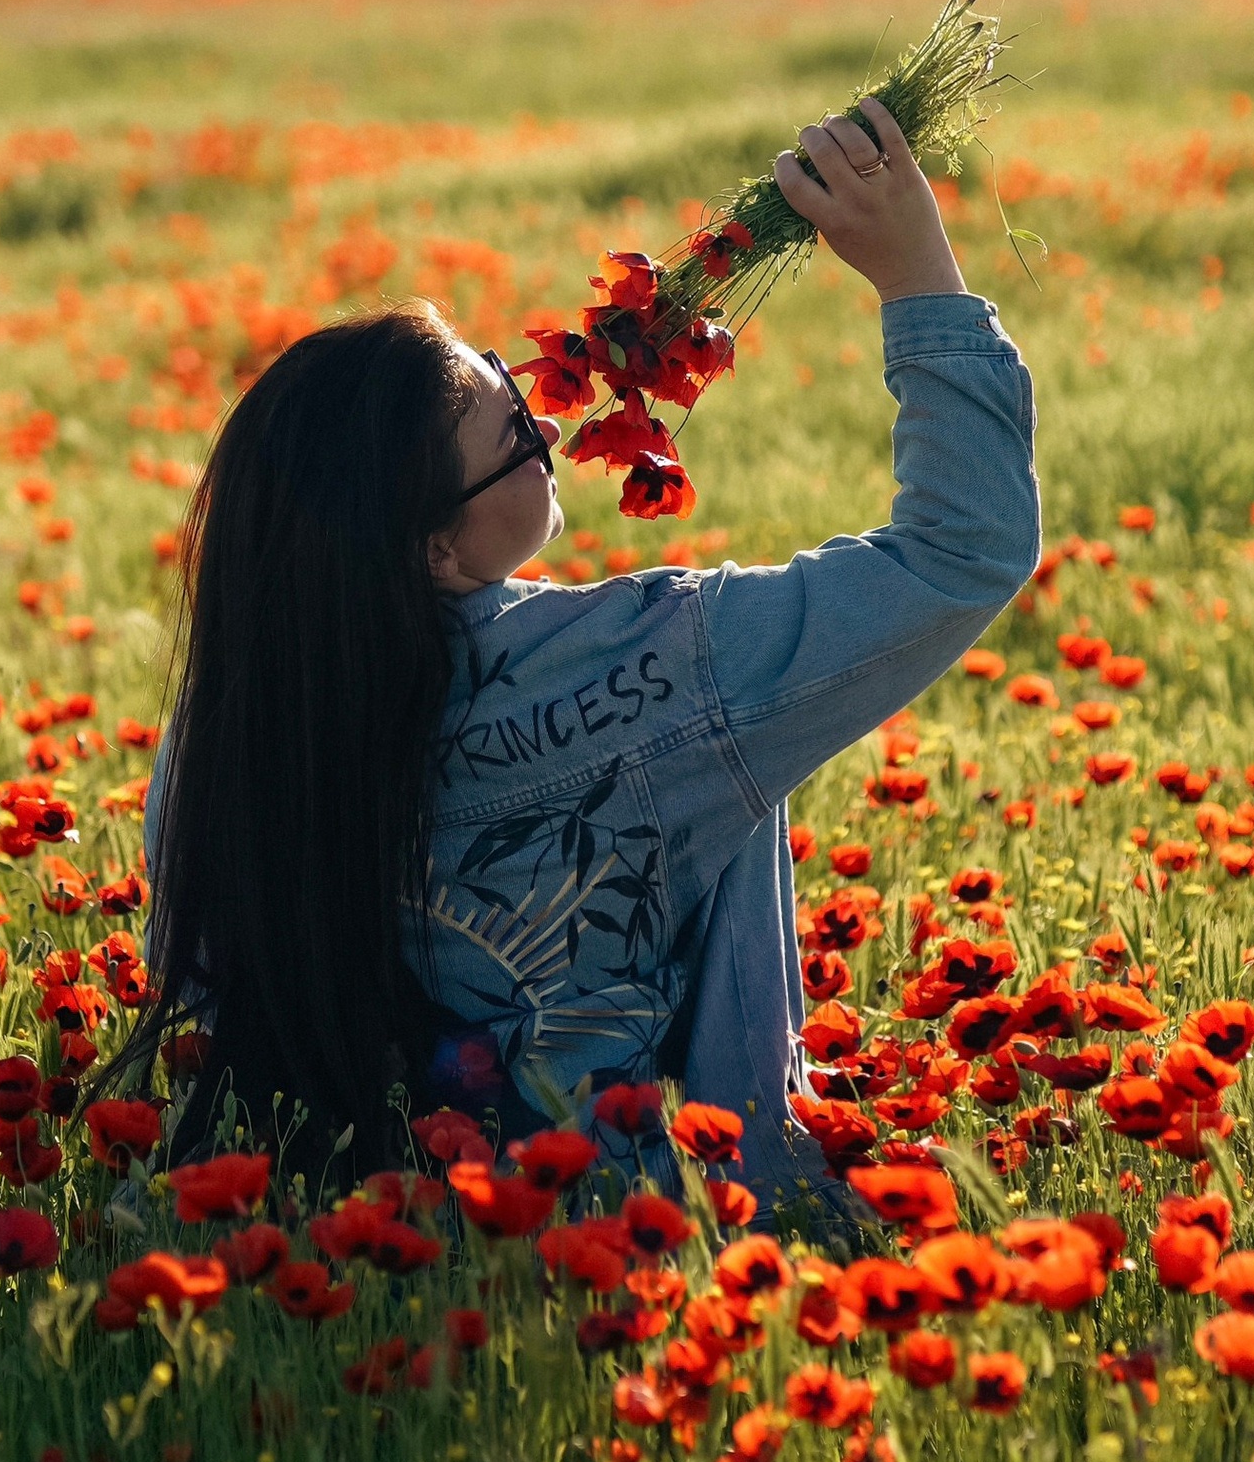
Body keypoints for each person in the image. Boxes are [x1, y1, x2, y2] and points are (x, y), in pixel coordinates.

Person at [137, 95, 1040, 1210]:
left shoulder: (228, 723)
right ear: (428, 549)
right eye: (516, 437)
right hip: (628, 1235)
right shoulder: (661, 665)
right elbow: (963, 549)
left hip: (326, 1229)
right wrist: (916, 278)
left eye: (525, 397)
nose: (554, 429)